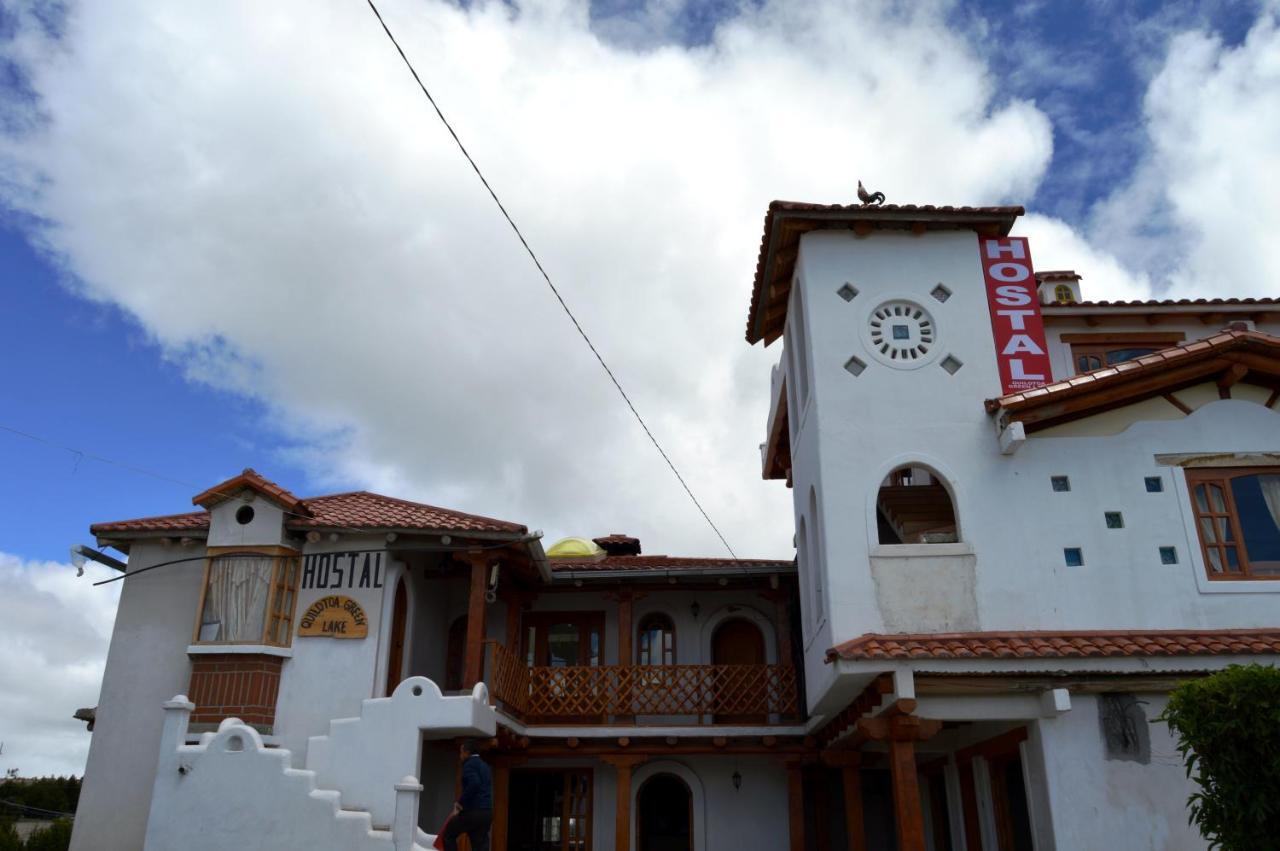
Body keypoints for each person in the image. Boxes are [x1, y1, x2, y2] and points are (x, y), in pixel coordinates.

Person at [443, 738, 492, 851]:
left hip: (473, 812)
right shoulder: (485, 766)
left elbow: (474, 783)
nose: (460, 755)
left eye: (461, 752)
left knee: (448, 834)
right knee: (480, 846)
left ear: (467, 753)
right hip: (487, 813)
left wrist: (460, 802)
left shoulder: (469, 764)